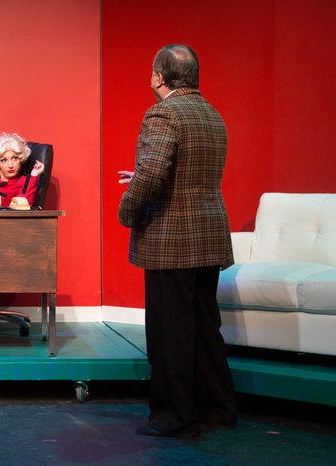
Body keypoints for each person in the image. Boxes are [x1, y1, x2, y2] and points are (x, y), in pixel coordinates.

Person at [117, 44, 237, 438]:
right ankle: (217, 409)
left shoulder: (163, 112)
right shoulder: (211, 114)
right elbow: (184, 172)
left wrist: (127, 209)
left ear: (159, 76)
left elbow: (153, 175)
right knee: (204, 328)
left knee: (170, 332)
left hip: (172, 238)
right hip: (208, 234)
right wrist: (141, 177)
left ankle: (176, 417)